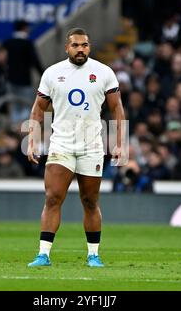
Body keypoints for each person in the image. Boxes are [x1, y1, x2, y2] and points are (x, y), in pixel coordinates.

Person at [26, 28, 126, 268]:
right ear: (67, 48)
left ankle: (93, 255)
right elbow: (38, 108)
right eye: (76, 45)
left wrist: (121, 143)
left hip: (92, 146)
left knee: (90, 201)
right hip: (62, 144)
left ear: (89, 47)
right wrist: (31, 140)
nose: (80, 49)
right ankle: (43, 254)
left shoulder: (104, 73)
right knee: (52, 198)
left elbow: (117, 108)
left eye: (85, 45)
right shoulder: (52, 73)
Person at [3, 20, 44, 125]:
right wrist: (43, 75)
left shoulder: (7, 43)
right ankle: (22, 129)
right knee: (26, 105)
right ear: (25, 28)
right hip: (25, 80)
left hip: (10, 80)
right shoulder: (27, 44)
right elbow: (35, 62)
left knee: (14, 105)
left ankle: (14, 127)